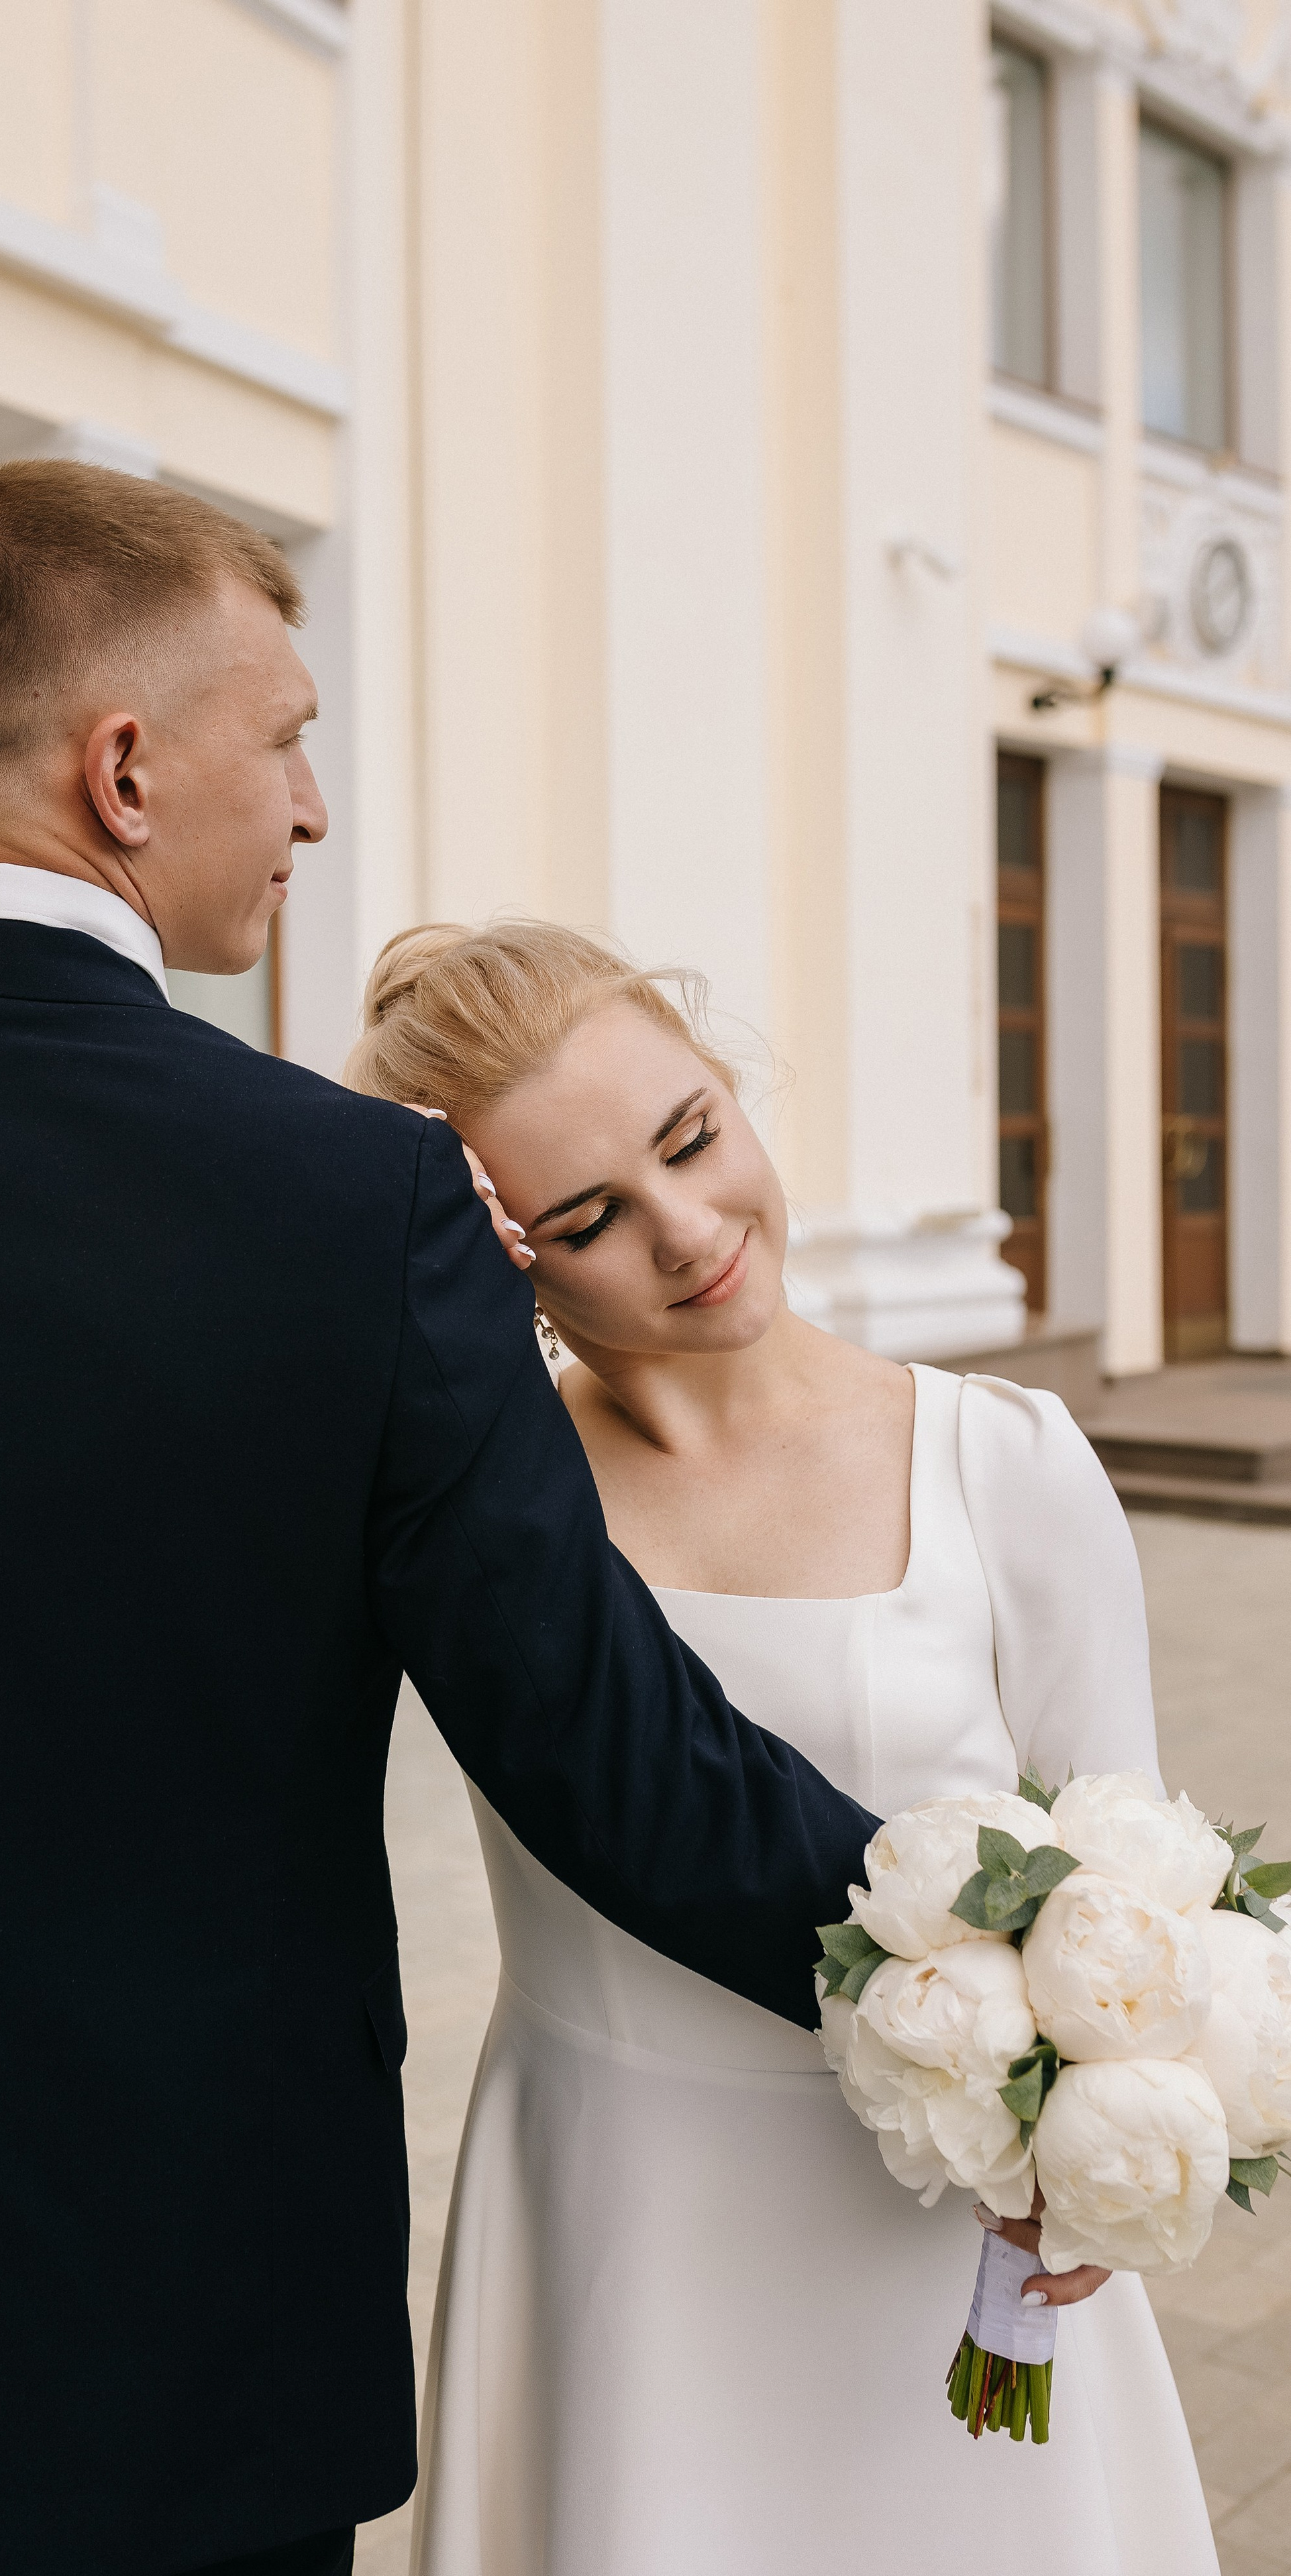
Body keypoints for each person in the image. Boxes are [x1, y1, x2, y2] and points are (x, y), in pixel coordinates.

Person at [0, 465, 875, 2576]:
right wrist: (1010, 1972)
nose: (311, 810)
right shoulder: (364, 1211)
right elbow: (604, 1749)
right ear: (123, 770)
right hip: (186, 2351)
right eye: (285, 739)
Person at [347, 920, 1219, 2576]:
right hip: (622, 2242)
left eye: (689, 1138)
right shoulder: (478, 1518)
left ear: (729, 1089)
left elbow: (1144, 1906)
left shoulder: (1003, 1464)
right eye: (585, 1219)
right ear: (505, 1251)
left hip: (947, 2251)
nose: (685, 1232)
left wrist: (1125, 2144)